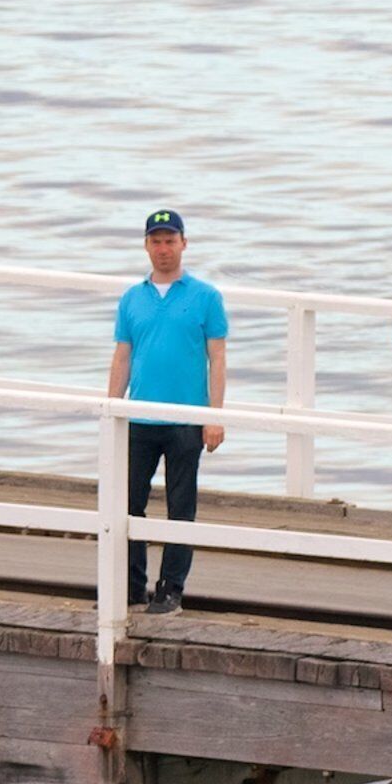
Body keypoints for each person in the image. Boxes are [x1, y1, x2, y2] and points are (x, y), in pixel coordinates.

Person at [103, 207, 230, 612]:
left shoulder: (206, 297)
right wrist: (112, 409)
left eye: (170, 240)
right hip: (139, 418)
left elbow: (218, 358)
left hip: (186, 420)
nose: (163, 249)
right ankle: (129, 586)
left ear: (183, 243)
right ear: (146, 245)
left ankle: (171, 588)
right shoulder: (132, 298)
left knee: (180, 507)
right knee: (127, 504)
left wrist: (214, 416)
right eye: (156, 241)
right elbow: (122, 356)